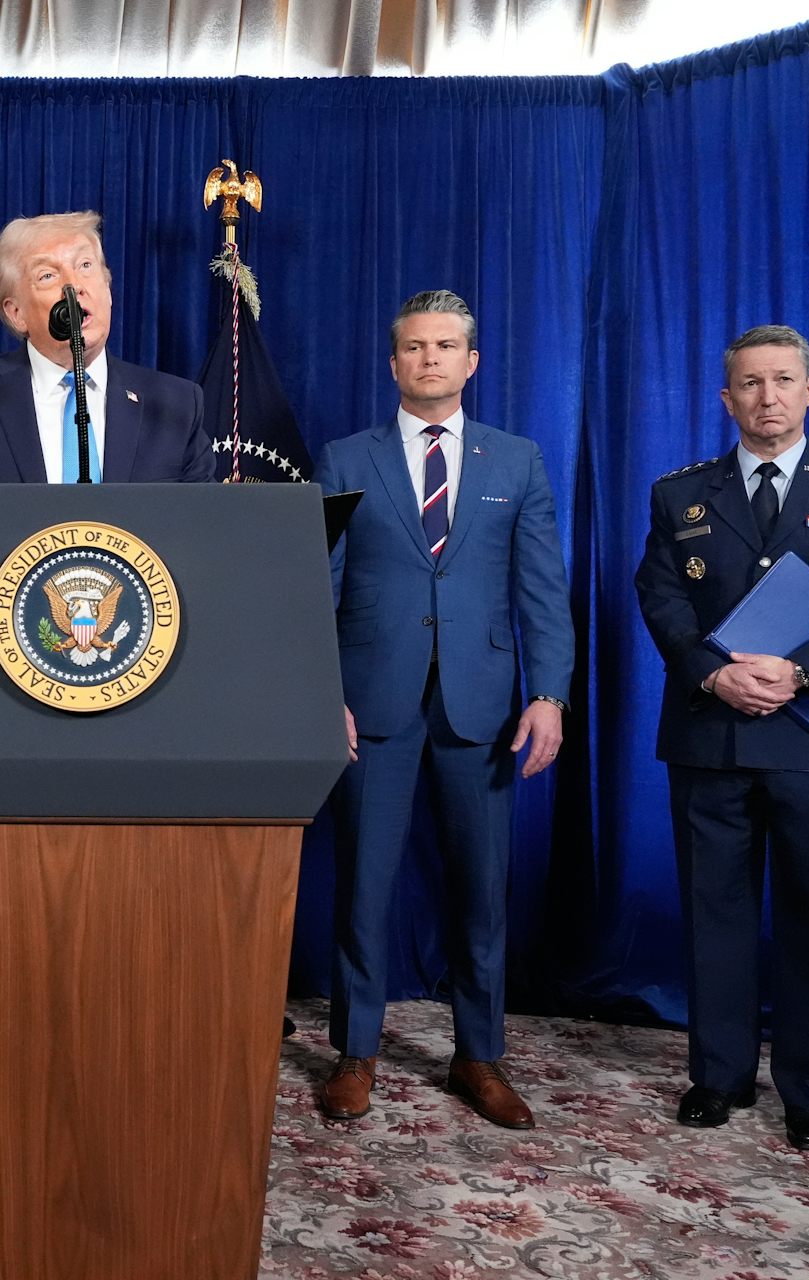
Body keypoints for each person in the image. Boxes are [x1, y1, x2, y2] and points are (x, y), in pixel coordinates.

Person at [634, 324, 809, 1153]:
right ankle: (717, 1076)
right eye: (750, 384)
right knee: (713, 918)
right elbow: (661, 599)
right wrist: (713, 673)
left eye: (783, 381)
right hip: (711, 736)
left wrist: (800, 674)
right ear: (727, 398)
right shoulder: (678, 494)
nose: (767, 397)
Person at [316, 290, 574, 1129]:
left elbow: (541, 589)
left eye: (447, 345)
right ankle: (356, 1052)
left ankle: (479, 1055)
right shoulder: (345, 458)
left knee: (483, 890)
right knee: (362, 884)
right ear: (393, 363)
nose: (430, 358)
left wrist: (549, 695)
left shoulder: (517, 461)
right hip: (372, 702)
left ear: (472, 361)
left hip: (483, 707)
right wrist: (322, 697)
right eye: (415, 347)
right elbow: (316, 590)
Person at [0, 210, 215, 484]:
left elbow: (204, 532)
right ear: (16, 313)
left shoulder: (176, 405)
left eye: (86, 266)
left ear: (108, 290)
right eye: (47, 275)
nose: (74, 287)